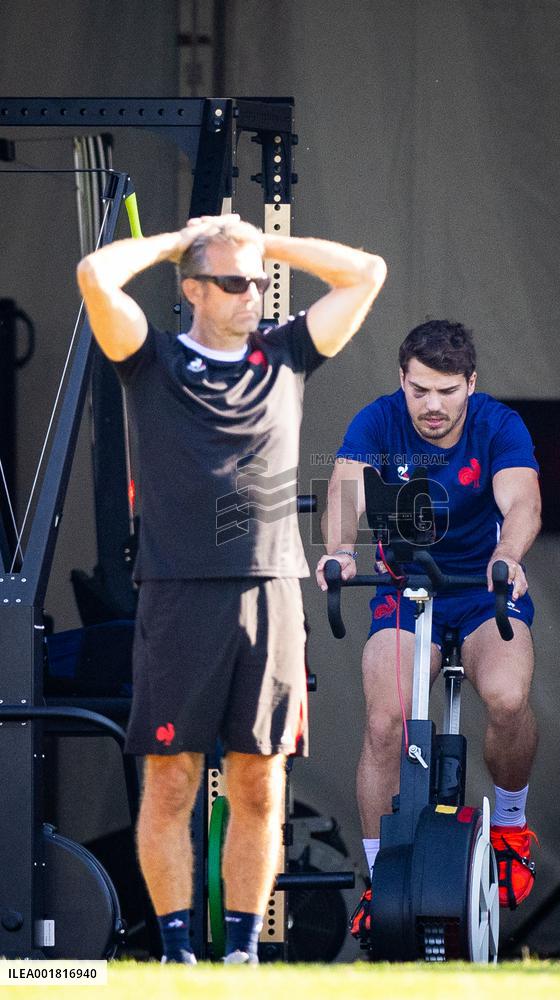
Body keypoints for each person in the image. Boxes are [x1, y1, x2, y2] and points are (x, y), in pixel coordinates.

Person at [77, 213, 386, 964]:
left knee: (257, 778)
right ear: (192, 290)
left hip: (271, 589)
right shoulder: (149, 359)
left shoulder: (283, 354)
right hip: (180, 592)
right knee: (172, 777)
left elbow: (366, 271)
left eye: (257, 283)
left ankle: (242, 952)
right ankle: (178, 949)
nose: (252, 294)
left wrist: (261, 245)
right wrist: (179, 239)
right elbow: (94, 276)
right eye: (232, 282)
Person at [316, 319, 541, 937]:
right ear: (402, 381)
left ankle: (512, 830)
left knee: (507, 696)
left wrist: (509, 557)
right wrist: (340, 550)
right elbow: (344, 487)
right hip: (404, 591)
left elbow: (522, 500)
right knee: (386, 721)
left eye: (447, 391)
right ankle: (379, 881)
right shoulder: (377, 420)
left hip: (480, 591)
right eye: (420, 391)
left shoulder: (499, 425)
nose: (432, 406)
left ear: (471, 383)